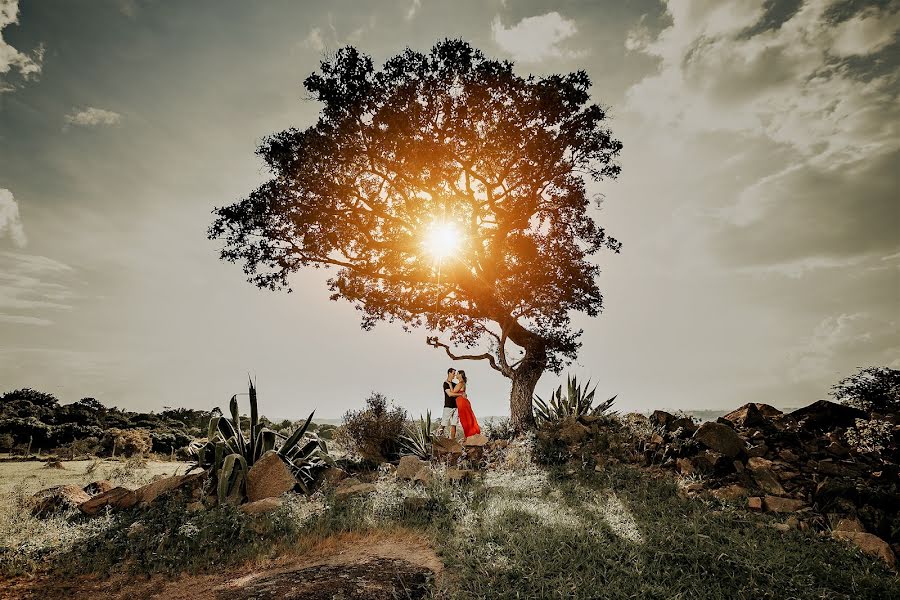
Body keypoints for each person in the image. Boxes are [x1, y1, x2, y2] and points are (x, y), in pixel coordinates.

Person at [453, 370, 481, 438]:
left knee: (465, 420)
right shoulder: (463, 383)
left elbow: (453, 392)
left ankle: (470, 435)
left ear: (460, 375)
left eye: (457, 374)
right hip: (462, 402)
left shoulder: (460, 383)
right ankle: (470, 435)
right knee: (466, 419)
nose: (456, 375)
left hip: (462, 403)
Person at [438, 367, 459, 439]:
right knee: (443, 423)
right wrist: (460, 394)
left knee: (454, 424)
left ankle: (452, 440)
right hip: (448, 406)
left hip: (456, 406)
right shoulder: (445, 384)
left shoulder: (455, 384)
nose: (454, 375)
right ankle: (437, 437)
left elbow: (455, 393)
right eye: (453, 373)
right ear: (449, 373)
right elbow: (450, 394)